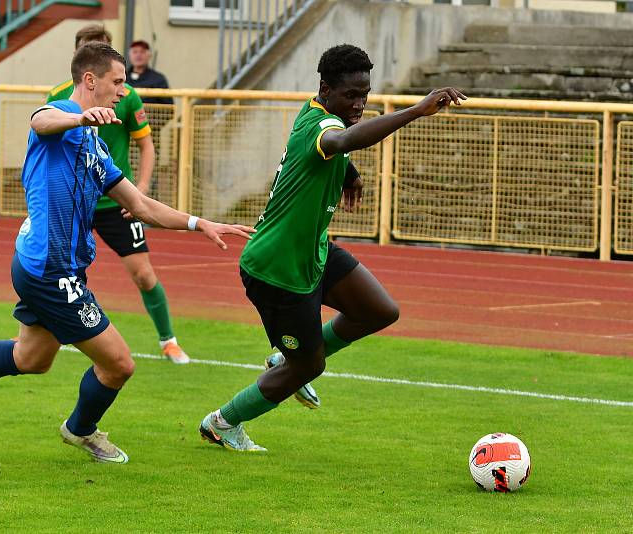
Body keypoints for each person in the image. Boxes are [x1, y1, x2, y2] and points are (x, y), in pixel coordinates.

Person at [0, 42, 254, 464]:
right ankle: (80, 430)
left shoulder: (94, 144)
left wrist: (201, 223)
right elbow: (41, 119)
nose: (124, 91)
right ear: (91, 80)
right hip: (51, 269)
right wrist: (79, 116)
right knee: (119, 364)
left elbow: (140, 206)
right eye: (118, 82)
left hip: (41, 262)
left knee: (30, 358)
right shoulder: (61, 120)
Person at [198, 44, 466, 452]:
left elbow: (333, 149)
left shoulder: (320, 114)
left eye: (365, 94)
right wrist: (414, 111)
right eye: (351, 96)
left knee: (378, 311)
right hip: (277, 269)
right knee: (310, 365)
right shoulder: (321, 126)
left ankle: (283, 361)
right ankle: (222, 422)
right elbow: (339, 141)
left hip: (313, 252)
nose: (359, 104)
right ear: (325, 88)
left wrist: (350, 176)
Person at [48, 25, 189, 363]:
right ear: (80, 59)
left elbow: (146, 144)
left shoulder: (126, 96)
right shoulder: (58, 97)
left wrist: (139, 189)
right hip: (74, 203)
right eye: (91, 47)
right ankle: (33, 336)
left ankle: (168, 340)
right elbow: (44, 135)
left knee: (143, 273)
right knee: (51, 269)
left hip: (116, 200)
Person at [125, 40, 173, 105]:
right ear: (129, 55)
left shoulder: (158, 79)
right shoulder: (122, 77)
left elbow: (168, 106)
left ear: (149, 55)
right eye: (135, 52)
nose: (138, 55)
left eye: (142, 52)